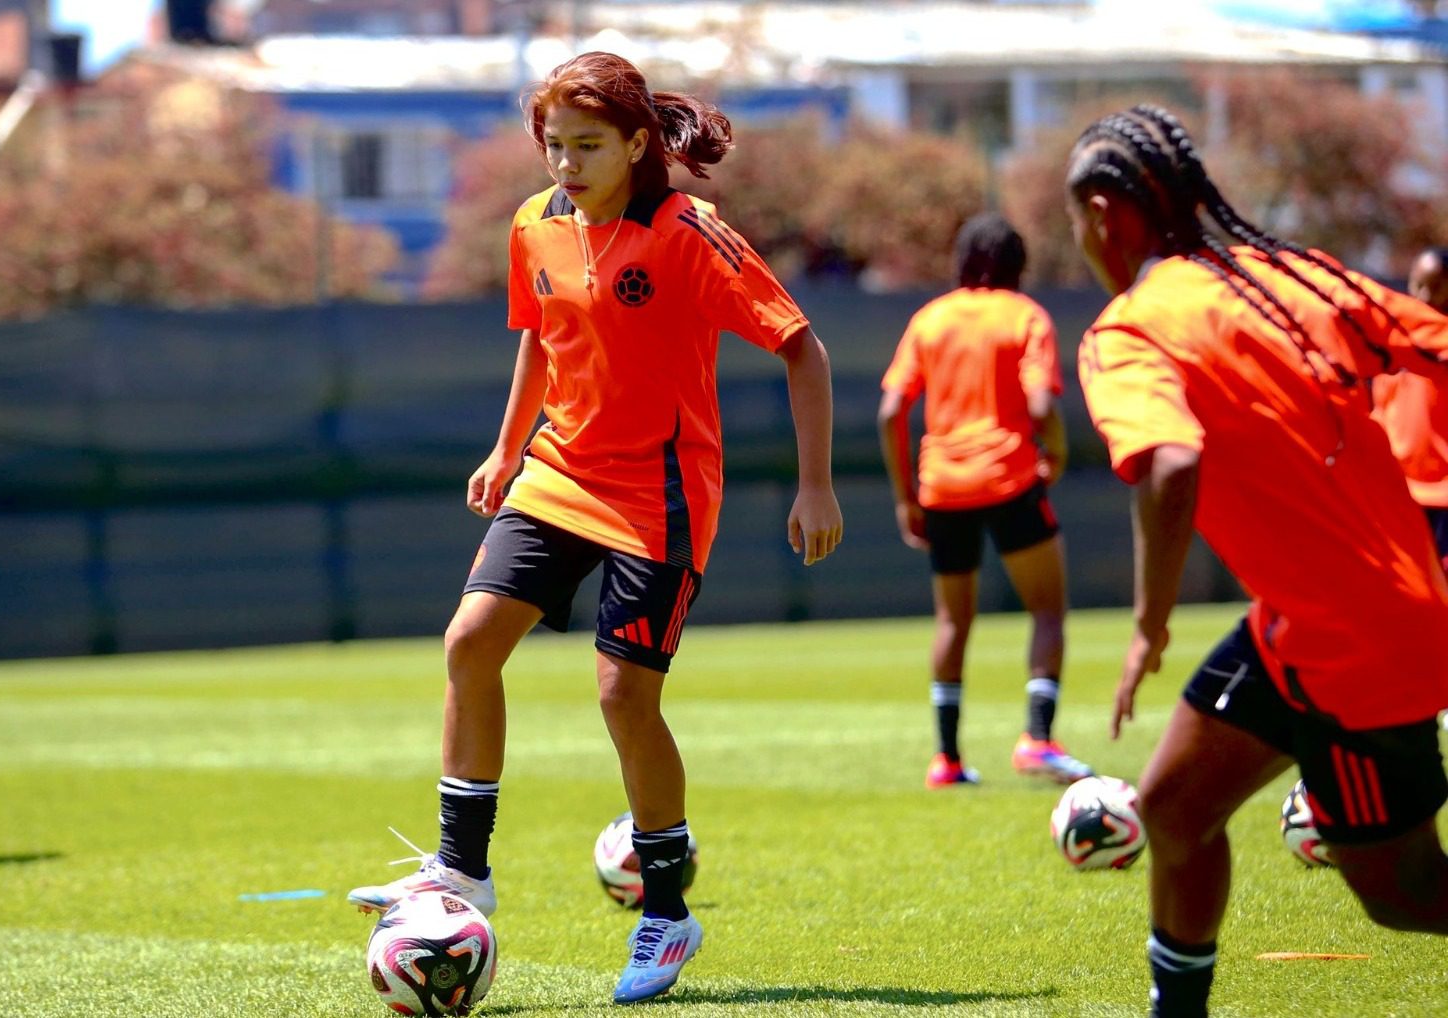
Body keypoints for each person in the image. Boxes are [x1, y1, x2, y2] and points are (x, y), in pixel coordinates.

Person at [346, 52, 843, 1005]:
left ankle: (667, 913)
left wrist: (815, 484)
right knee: (470, 643)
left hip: (660, 493)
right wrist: (506, 449)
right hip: (559, 473)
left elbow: (802, 346)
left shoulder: (689, 233)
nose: (565, 163)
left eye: (586, 146)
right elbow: (541, 336)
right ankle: (462, 873)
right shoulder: (534, 224)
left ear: (636, 145)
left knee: (624, 697)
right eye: (552, 145)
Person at [1066, 104, 1448, 1018]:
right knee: (1171, 807)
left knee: (1399, 895)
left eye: (1076, 216)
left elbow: (1170, 463)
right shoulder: (1287, 277)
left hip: (1348, 645)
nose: (1078, 237)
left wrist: (1149, 624)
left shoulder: (1127, 332)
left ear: (1107, 213)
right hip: (1320, 619)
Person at [877, 213, 1092, 789]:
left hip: (942, 486)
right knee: (1047, 610)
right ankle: (1038, 740)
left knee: (953, 620)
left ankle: (946, 759)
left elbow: (892, 410)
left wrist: (905, 498)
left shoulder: (931, 319)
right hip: (1010, 479)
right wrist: (1060, 451)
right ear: (1017, 265)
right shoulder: (1025, 316)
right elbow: (1042, 403)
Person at [1372, 246, 1448, 570]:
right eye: (1419, 284)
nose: (1425, 295)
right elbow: (1382, 414)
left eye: (1437, 285)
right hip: (1402, 496)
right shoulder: (1392, 345)